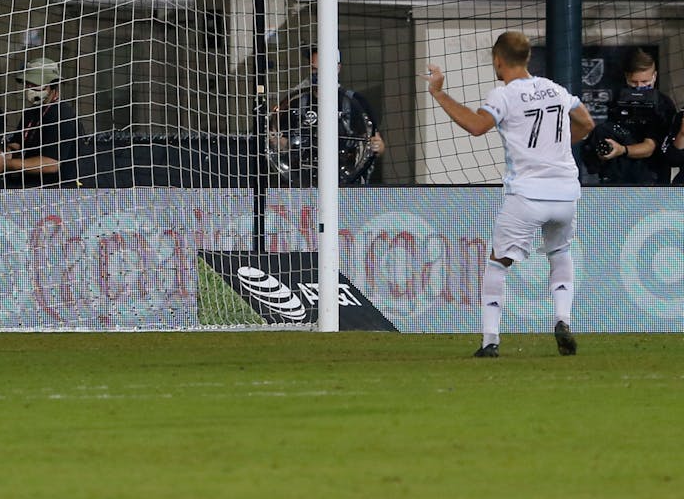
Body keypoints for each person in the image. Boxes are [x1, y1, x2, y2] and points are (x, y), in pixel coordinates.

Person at [424, 31, 593, 358]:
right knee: (560, 252)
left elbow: (476, 125)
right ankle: (562, 319)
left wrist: (439, 93)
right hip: (566, 192)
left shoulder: (505, 95)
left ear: (498, 60)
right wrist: (553, 149)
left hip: (528, 194)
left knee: (498, 264)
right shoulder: (555, 89)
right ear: (528, 58)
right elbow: (586, 123)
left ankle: (490, 341)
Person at [270, 46, 385, 185]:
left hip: (346, 182)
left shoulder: (354, 103)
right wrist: (278, 142)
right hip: (305, 183)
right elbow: (283, 142)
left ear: (337, 68)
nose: (317, 74)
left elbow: (377, 143)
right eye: (314, 69)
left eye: (322, 69)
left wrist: (376, 146)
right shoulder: (297, 103)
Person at [0, 57, 82, 187]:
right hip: (27, 185)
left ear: (52, 85)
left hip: (55, 192)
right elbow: (18, 144)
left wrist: (6, 165)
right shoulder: (31, 112)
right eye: (28, 84)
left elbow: (51, 164)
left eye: (35, 84)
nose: (30, 88)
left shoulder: (63, 115)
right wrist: (3, 152)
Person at [585, 47, 675, 185]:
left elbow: (650, 147)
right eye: (634, 82)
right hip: (617, 178)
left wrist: (622, 150)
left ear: (654, 76)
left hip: (651, 179)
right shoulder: (619, 99)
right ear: (627, 77)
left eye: (645, 82)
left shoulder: (663, 104)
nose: (639, 87)